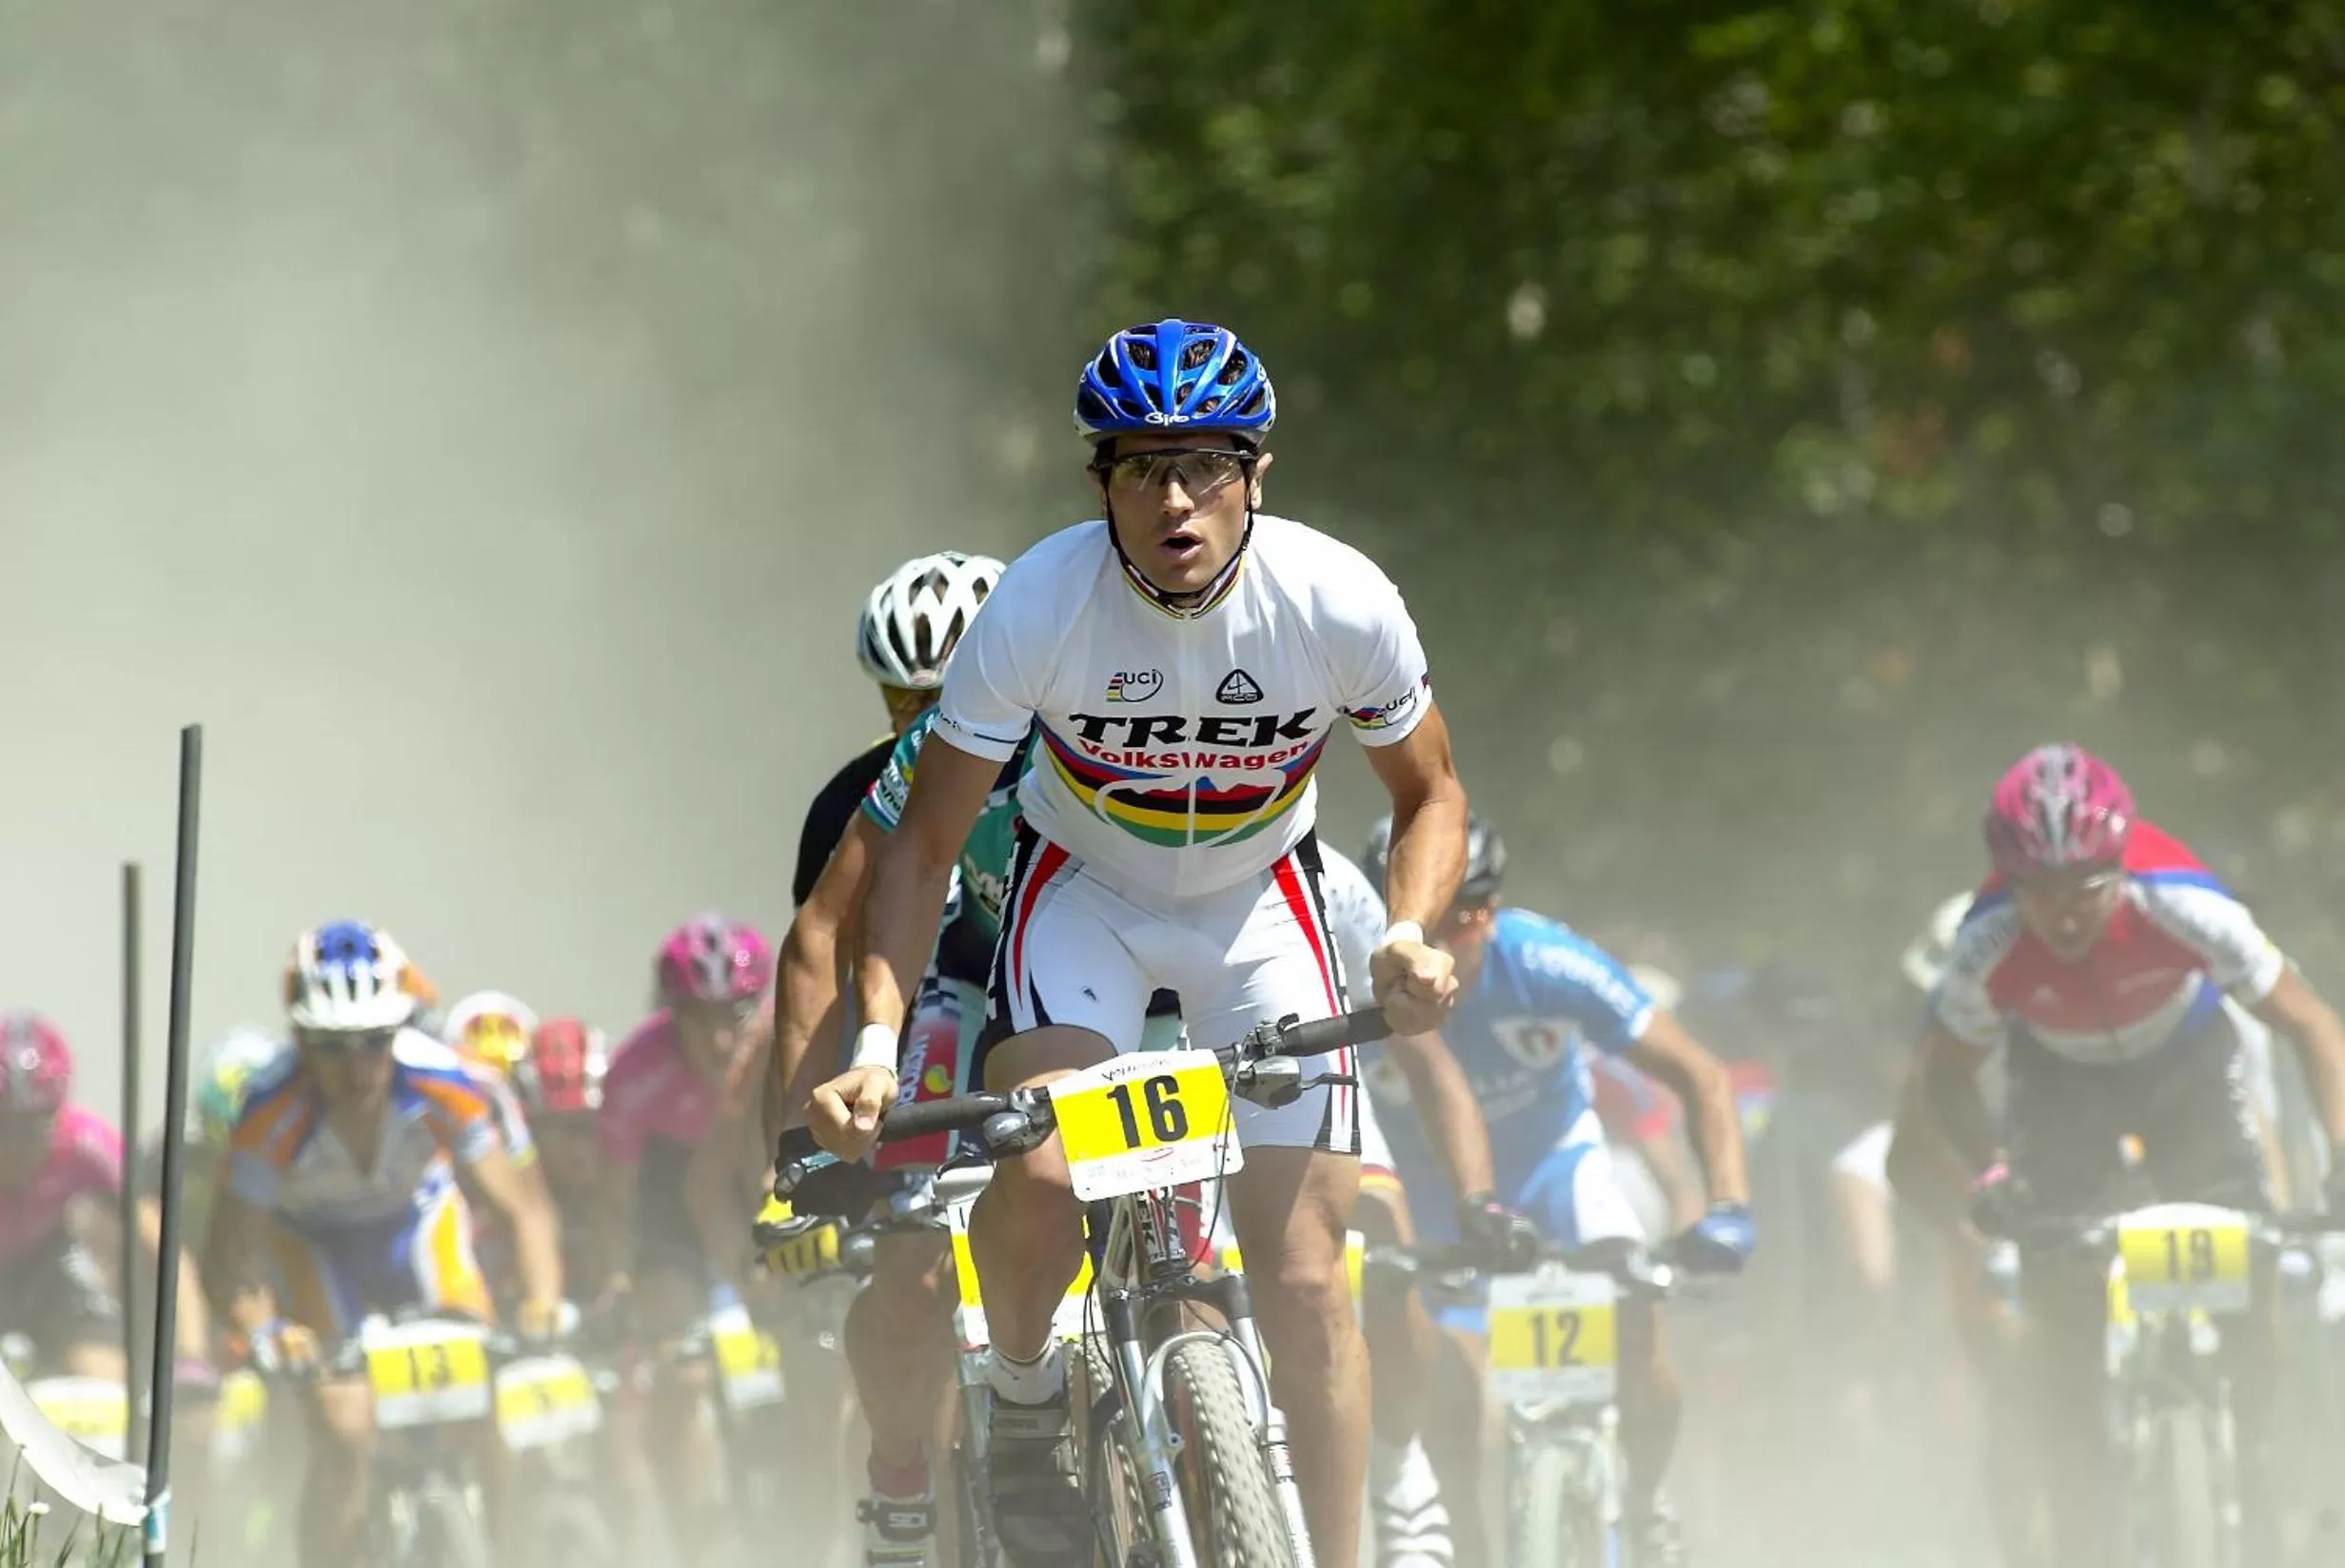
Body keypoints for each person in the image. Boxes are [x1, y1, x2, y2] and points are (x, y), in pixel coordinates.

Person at [806, 317, 1470, 1568]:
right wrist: (878, 1046)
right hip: (1086, 897)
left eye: (1207, 464)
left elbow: (1430, 792)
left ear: (1256, 473)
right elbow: (925, 846)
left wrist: (1410, 933)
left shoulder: (1337, 598)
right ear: (1098, 481)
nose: (1175, 500)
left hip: (1260, 904)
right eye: (1141, 467)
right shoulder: (1039, 603)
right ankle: (1021, 1394)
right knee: (1045, 1174)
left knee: (1307, 1281)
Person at [1886, 743, 2345, 1568]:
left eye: (2086, 891)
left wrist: (2342, 1152)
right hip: (2062, 1087)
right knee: (2063, 1337)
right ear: (2008, 883)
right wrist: (1993, 1170)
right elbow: (1943, 1081)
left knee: (2253, 1282)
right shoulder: (1984, 940)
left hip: (2186, 1073)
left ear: (2122, 867)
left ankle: (2259, 1472)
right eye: (2040, 893)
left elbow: (2312, 1024)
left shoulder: (2183, 900)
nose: (2064, 917)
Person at [1357, 813, 1754, 1568]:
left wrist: (1729, 1207)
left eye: (1465, 918)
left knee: (1635, 1316)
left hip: (1558, 1172)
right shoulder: (1354, 978)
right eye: (1423, 925)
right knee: (1462, 1414)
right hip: (1437, 1203)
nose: (1444, 947)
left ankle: (1646, 1498)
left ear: (1493, 910)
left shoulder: (1545, 960)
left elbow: (1700, 1074)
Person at [202, 921, 564, 1568]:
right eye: (334, 1047)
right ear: (301, 1042)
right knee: (345, 1429)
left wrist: (543, 1302)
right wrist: (265, 1330)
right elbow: (227, 1258)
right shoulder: (269, 1111)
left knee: (492, 1402)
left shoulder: (441, 1079)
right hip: (313, 1248)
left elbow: (524, 1210)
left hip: (416, 1228)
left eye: (375, 1041)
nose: (359, 1068)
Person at [597, 914, 775, 1556]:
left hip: (755, 1190)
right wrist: (622, 1277)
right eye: (701, 1020)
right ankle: (690, 1525)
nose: (722, 1039)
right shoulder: (634, 1070)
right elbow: (619, 1198)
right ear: (672, 1015)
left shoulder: (782, 1044)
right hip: (668, 1213)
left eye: (737, 1015)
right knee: (686, 1369)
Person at [0, 1011, 137, 1382]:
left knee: (102, 1373)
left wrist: (186, 1352)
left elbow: (151, 1225)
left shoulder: (88, 1142)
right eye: (2, 1126)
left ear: (59, 1112)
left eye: (34, 1128)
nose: (16, 1148)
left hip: (48, 1264)